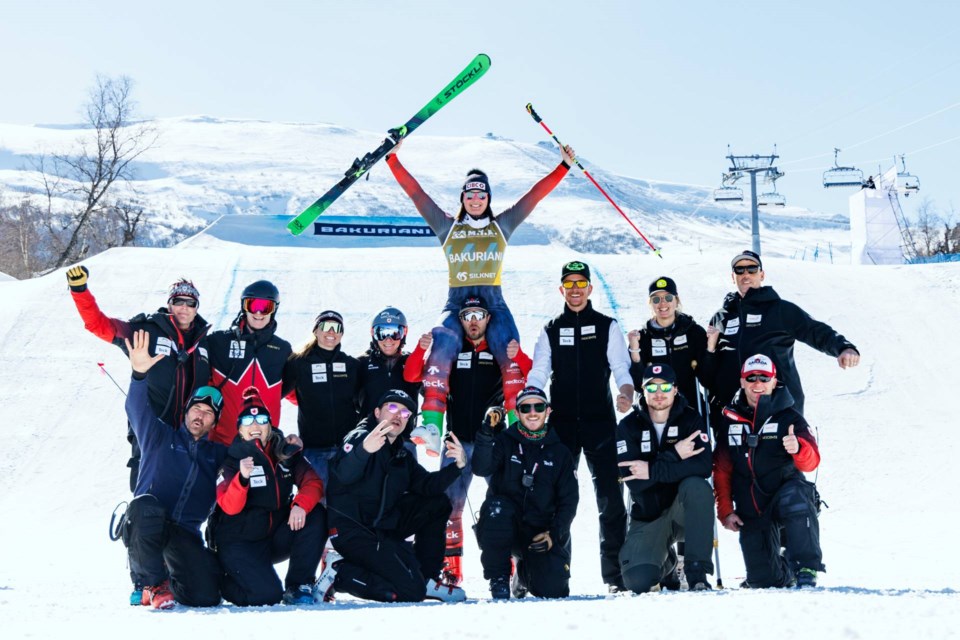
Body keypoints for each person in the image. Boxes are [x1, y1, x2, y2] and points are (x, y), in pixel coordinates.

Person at [385, 139, 576, 443]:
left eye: (481, 194)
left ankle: (518, 430)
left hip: (493, 302)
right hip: (456, 301)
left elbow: (533, 198)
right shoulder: (448, 227)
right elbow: (416, 195)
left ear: (488, 198)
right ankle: (433, 425)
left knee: (509, 353)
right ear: (463, 197)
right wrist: (392, 160)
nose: (476, 199)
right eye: (470, 194)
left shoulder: (501, 226)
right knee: (442, 345)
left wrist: (564, 166)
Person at [404, 294, 533, 585]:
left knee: (506, 504)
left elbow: (535, 375)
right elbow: (413, 376)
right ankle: (452, 573)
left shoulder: (500, 349)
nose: (473, 322)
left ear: (489, 319)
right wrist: (420, 350)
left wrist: (519, 355)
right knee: (449, 506)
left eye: (479, 315)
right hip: (456, 441)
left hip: (496, 443)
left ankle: (512, 567)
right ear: (460, 321)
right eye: (467, 316)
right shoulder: (449, 350)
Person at [527, 260, 634, 592]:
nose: (575, 290)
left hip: (600, 423)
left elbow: (621, 367)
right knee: (555, 499)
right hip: (560, 427)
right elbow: (539, 372)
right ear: (562, 290)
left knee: (611, 500)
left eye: (580, 284)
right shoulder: (551, 329)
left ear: (590, 288)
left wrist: (626, 392)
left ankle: (616, 577)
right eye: (569, 284)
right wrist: (529, 399)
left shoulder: (607, 326)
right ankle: (556, 574)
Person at [67, 266, 211, 491]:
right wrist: (80, 291)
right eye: (179, 301)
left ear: (196, 308)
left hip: (189, 437)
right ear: (170, 304)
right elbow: (99, 325)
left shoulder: (205, 343)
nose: (184, 307)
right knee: (147, 501)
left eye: (190, 303)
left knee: (185, 503)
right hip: (150, 432)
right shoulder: (145, 331)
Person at [318, 390, 469, 603]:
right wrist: (364, 451)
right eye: (392, 408)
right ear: (377, 412)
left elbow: (427, 486)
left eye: (405, 412)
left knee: (437, 504)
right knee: (410, 593)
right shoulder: (360, 437)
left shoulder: (400, 453)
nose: (398, 415)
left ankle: (427, 578)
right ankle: (339, 573)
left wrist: (458, 466)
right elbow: (342, 475)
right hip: (354, 532)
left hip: (383, 529)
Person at [122, 329, 226, 610]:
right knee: (145, 506)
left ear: (213, 423)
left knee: (206, 597)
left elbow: (249, 455)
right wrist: (139, 375)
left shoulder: (215, 454)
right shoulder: (159, 436)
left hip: (183, 537)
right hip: (148, 526)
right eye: (197, 408)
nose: (200, 415)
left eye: (208, 413)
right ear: (186, 411)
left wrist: (277, 444)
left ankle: (168, 579)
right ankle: (149, 584)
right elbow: (136, 408)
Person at [702, 250, 860, 418]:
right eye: (739, 270)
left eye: (752, 269)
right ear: (732, 277)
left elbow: (814, 330)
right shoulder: (721, 317)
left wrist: (843, 347)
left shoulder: (780, 310)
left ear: (761, 275)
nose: (745, 274)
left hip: (778, 405)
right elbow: (711, 365)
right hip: (733, 408)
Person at [713, 354, 824, 588]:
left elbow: (811, 463)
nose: (757, 384)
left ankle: (805, 567)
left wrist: (798, 448)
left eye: (764, 378)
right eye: (751, 378)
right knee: (763, 580)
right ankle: (785, 573)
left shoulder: (789, 416)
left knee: (798, 496)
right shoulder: (730, 419)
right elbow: (722, 469)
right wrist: (725, 510)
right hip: (752, 508)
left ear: (774, 381)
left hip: (785, 497)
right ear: (742, 382)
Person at [210, 387, 327, 606]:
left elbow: (313, 482)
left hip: (273, 538)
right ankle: (219, 580)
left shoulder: (285, 453)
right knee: (267, 596)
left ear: (269, 425)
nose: (255, 426)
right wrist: (242, 479)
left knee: (315, 513)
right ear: (240, 430)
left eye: (261, 419)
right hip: (240, 543)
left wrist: (299, 505)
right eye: (247, 421)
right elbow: (229, 506)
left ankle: (298, 585)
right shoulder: (231, 461)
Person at [472, 386, 579, 599]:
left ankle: (523, 574)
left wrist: (554, 533)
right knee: (496, 509)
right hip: (505, 526)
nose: (532, 412)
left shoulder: (561, 452)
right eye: (525, 407)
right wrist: (486, 433)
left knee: (554, 591)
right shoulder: (504, 440)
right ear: (517, 413)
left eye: (538, 406)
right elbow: (481, 468)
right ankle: (499, 578)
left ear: (547, 411)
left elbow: (569, 501)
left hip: (540, 532)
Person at [616, 363, 715, 593]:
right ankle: (668, 564)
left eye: (665, 387)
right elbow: (634, 480)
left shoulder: (690, 419)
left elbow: (703, 466)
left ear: (675, 389)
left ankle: (696, 572)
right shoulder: (628, 427)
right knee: (638, 581)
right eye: (651, 388)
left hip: (684, 511)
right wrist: (675, 455)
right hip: (649, 515)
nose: (658, 393)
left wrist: (651, 470)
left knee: (698, 486)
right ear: (642, 391)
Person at [207, 280, 292, 446]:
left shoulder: (282, 350)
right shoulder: (219, 342)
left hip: (264, 444)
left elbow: (299, 393)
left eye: (266, 307)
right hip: (222, 443)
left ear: (274, 310)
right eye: (252, 305)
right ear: (243, 307)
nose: (259, 312)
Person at [283, 310, 361, 487]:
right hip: (314, 450)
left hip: (347, 450)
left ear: (342, 333)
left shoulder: (351, 365)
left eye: (336, 327)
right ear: (316, 331)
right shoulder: (298, 363)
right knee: (318, 504)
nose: (331, 332)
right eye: (325, 326)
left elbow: (364, 403)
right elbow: (275, 394)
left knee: (347, 505)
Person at [627, 276, 707, 414]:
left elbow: (707, 376)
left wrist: (710, 349)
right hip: (655, 410)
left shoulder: (693, 332)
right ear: (650, 303)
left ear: (676, 300)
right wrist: (634, 350)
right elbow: (638, 385)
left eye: (668, 298)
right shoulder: (643, 337)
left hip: (689, 408)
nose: (662, 303)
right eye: (656, 299)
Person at [356, 306, 422, 421]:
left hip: (403, 432)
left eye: (395, 333)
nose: (388, 340)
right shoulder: (362, 363)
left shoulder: (411, 362)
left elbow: (434, 392)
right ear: (373, 334)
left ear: (404, 334)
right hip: (370, 433)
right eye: (381, 333)